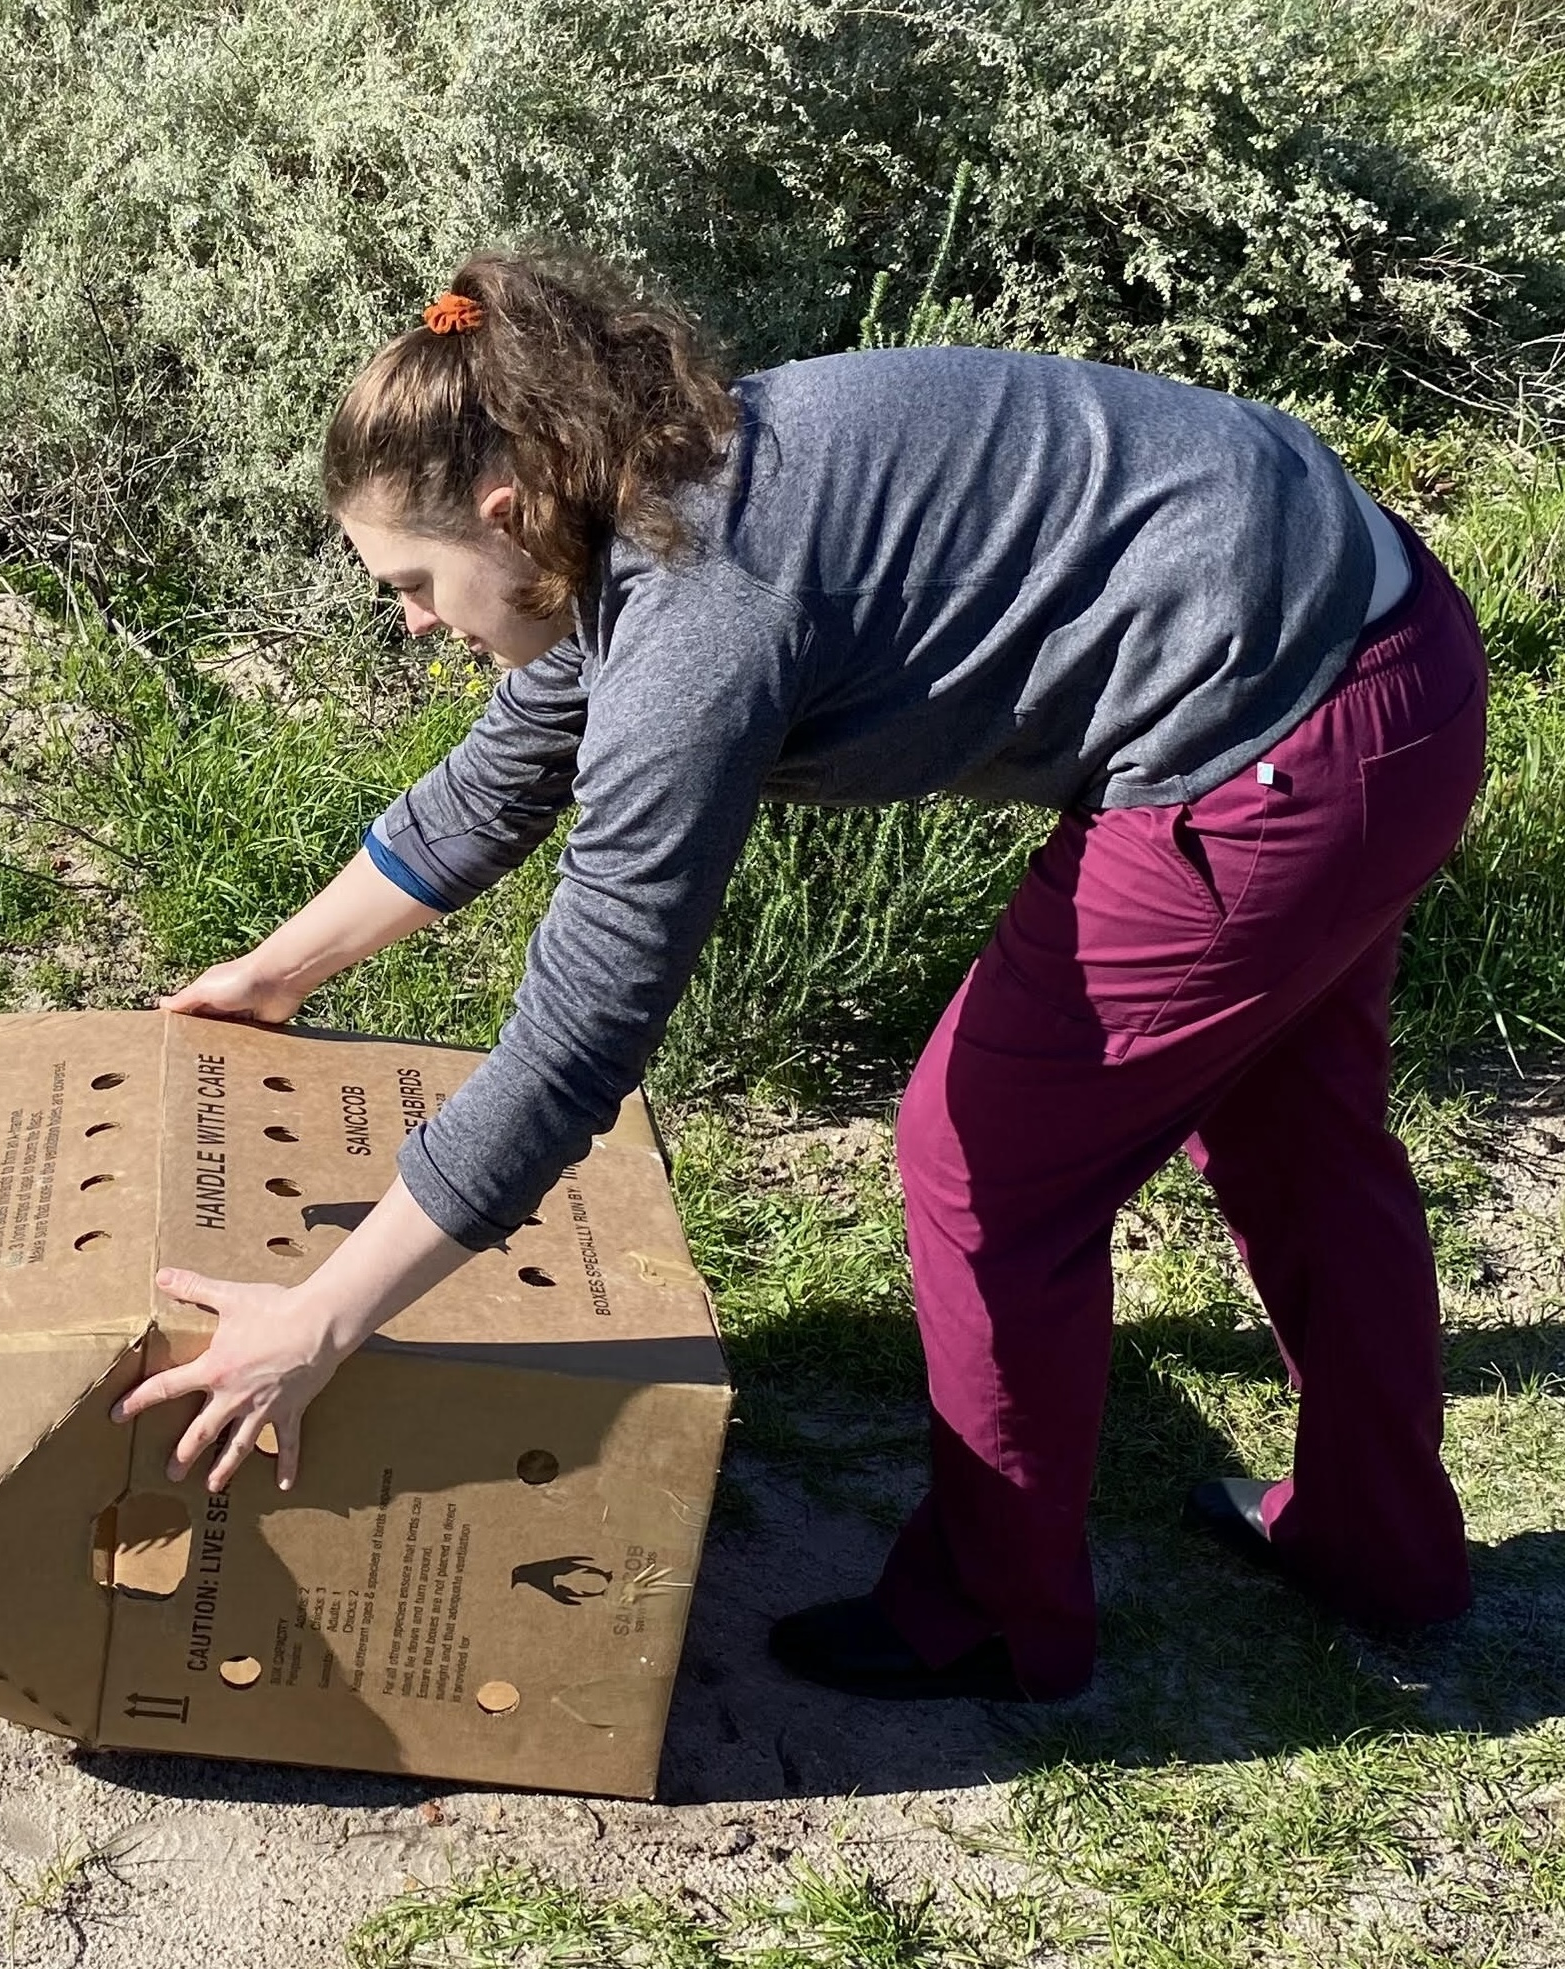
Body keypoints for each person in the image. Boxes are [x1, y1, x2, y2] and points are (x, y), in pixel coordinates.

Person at [109, 250, 1486, 1701]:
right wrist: (269, 976)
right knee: (1293, 1131)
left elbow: (582, 1033)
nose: (412, 621)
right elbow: (500, 779)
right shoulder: (648, 488)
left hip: (1276, 740)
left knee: (981, 1161)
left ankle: (994, 1618)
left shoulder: (699, 615)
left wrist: (319, 1319)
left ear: (503, 512)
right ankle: (1375, 1548)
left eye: (410, 581)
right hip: (1375, 637)